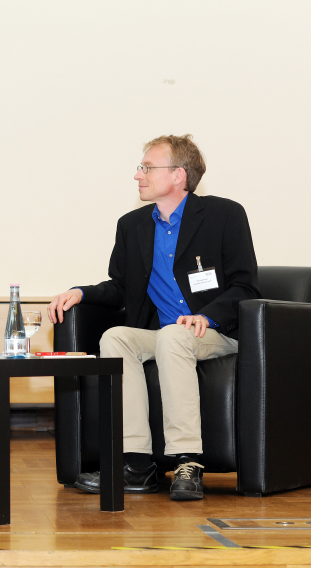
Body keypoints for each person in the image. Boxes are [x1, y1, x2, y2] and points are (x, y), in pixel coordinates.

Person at [48, 135, 260, 501]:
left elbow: (245, 286)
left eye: (147, 167)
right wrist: (82, 292)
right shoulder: (132, 226)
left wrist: (206, 317)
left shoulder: (225, 215)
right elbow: (120, 287)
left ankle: (188, 461)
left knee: (174, 336)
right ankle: (137, 463)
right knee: (115, 337)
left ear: (178, 175)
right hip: (164, 333)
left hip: (216, 331)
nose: (138, 175)